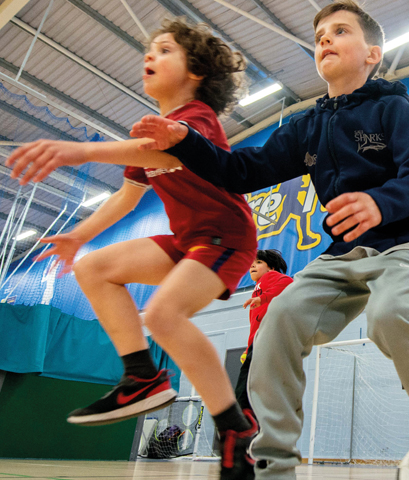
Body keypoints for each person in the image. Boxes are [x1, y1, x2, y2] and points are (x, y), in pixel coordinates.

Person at [116, 2, 409, 479]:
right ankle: (274, 467)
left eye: (340, 31)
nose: (325, 40)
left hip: (400, 242)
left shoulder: (393, 107)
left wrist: (380, 203)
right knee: (277, 324)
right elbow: (241, 171)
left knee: (389, 316)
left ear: (372, 54)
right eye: (319, 36)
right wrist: (186, 139)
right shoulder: (305, 127)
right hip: (339, 255)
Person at [6, 18, 260, 480]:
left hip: (225, 236)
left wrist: (79, 152)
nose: (150, 56)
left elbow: (161, 154)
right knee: (95, 267)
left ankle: (233, 428)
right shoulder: (151, 130)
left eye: (164, 50)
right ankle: (142, 375)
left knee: (162, 316)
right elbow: (127, 196)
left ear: (196, 72)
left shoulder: (194, 117)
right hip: (187, 241)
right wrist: (78, 236)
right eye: (148, 50)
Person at [236, 249, 293, 418]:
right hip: (258, 342)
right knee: (250, 390)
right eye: (252, 263)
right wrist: (248, 350)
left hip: (267, 339)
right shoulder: (258, 287)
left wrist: (263, 297)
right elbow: (255, 326)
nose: (253, 265)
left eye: (259, 262)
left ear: (271, 268)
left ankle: (246, 429)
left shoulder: (270, 277)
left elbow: (289, 283)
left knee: (245, 393)